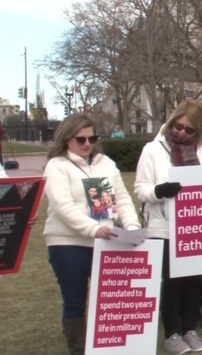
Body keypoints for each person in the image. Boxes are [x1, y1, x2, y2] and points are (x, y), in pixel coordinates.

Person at [134, 99, 202, 354]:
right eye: (178, 126)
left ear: (198, 130)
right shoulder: (153, 149)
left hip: (196, 225)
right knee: (173, 281)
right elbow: (140, 188)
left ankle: (190, 329)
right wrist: (159, 191)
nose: (181, 132)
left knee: (193, 280)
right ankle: (172, 333)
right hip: (163, 226)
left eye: (188, 129)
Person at [43, 114, 141, 355]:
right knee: (75, 300)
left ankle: (110, 345)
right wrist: (93, 229)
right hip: (67, 242)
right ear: (67, 139)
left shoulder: (105, 163)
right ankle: (78, 348)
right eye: (80, 139)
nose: (87, 144)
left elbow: (122, 197)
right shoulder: (57, 166)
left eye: (92, 138)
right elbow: (62, 206)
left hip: (107, 240)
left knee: (111, 298)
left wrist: (131, 227)